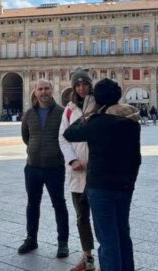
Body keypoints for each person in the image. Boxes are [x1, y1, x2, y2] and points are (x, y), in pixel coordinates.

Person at [64, 78, 142, 271]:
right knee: (123, 234)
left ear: (97, 99)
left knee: (107, 239)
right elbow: (136, 157)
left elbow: (69, 133)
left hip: (100, 187)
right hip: (124, 186)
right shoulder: (131, 123)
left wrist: (90, 112)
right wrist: (130, 181)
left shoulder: (96, 122)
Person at [18, 79, 70, 258]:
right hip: (32, 167)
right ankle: (31, 238)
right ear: (35, 92)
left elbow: (67, 138)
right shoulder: (29, 114)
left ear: (52, 90)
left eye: (47, 88)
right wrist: (34, 150)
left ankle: (63, 242)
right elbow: (26, 136)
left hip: (55, 167)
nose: (44, 92)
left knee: (59, 204)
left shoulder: (62, 113)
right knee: (32, 205)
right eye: (40, 89)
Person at [58, 70, 98, 271]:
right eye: (78, 85)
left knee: (100, 215)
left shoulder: (99, 105)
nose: (82, 88)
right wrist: (72, 160)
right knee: (82, 216)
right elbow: (63, 137)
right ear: (74, 87)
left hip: (97, 171)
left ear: (90, 85)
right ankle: (88, 257)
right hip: (76, 171)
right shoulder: (69, 109)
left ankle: (106, 253)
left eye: (85, 84)